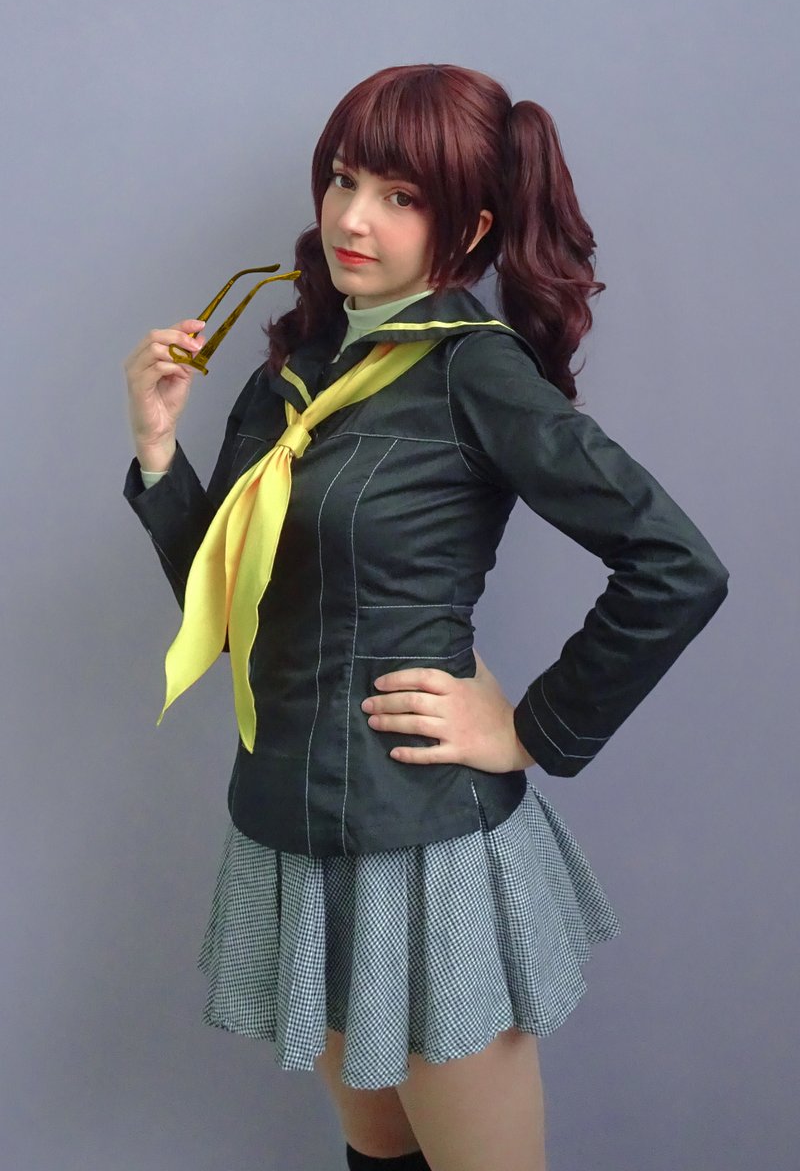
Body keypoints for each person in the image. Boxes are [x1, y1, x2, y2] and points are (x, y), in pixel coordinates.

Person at [122, 63, 729, 1171]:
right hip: (290, 826)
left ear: (471, 226)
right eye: (345, 179)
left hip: (421, 842)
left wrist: (529, 728)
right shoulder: (293, 372)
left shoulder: (472, 373)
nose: (353, 218)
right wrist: (160, 453)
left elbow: (674, 565)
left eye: (400, 196)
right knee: (377, 1151)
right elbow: (235, 612)